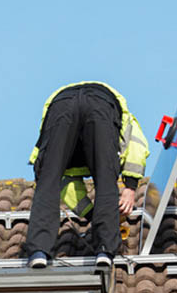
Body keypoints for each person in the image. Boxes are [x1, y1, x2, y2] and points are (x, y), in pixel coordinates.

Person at [24, 81, 149, 268]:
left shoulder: (69, 159)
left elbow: (66, 187)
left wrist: (92, 214)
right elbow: (138, 146)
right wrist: (130, 187)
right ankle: (105, 249)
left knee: (48, 179)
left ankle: (39, 251)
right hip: (101, 102)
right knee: (105, 177)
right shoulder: (125, 119)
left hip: (61, 104)